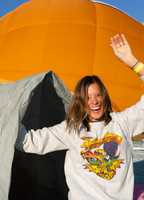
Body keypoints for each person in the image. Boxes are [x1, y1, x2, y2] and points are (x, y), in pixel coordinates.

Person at [16, 34, 144, 200]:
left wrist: (133, 62)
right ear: (80, 102)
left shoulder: (123, 122)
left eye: (98, 95)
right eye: (88, 97)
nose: (94, 101)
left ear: (105, 97)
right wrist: (3, 118)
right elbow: (28, 141)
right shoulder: (72, 129)